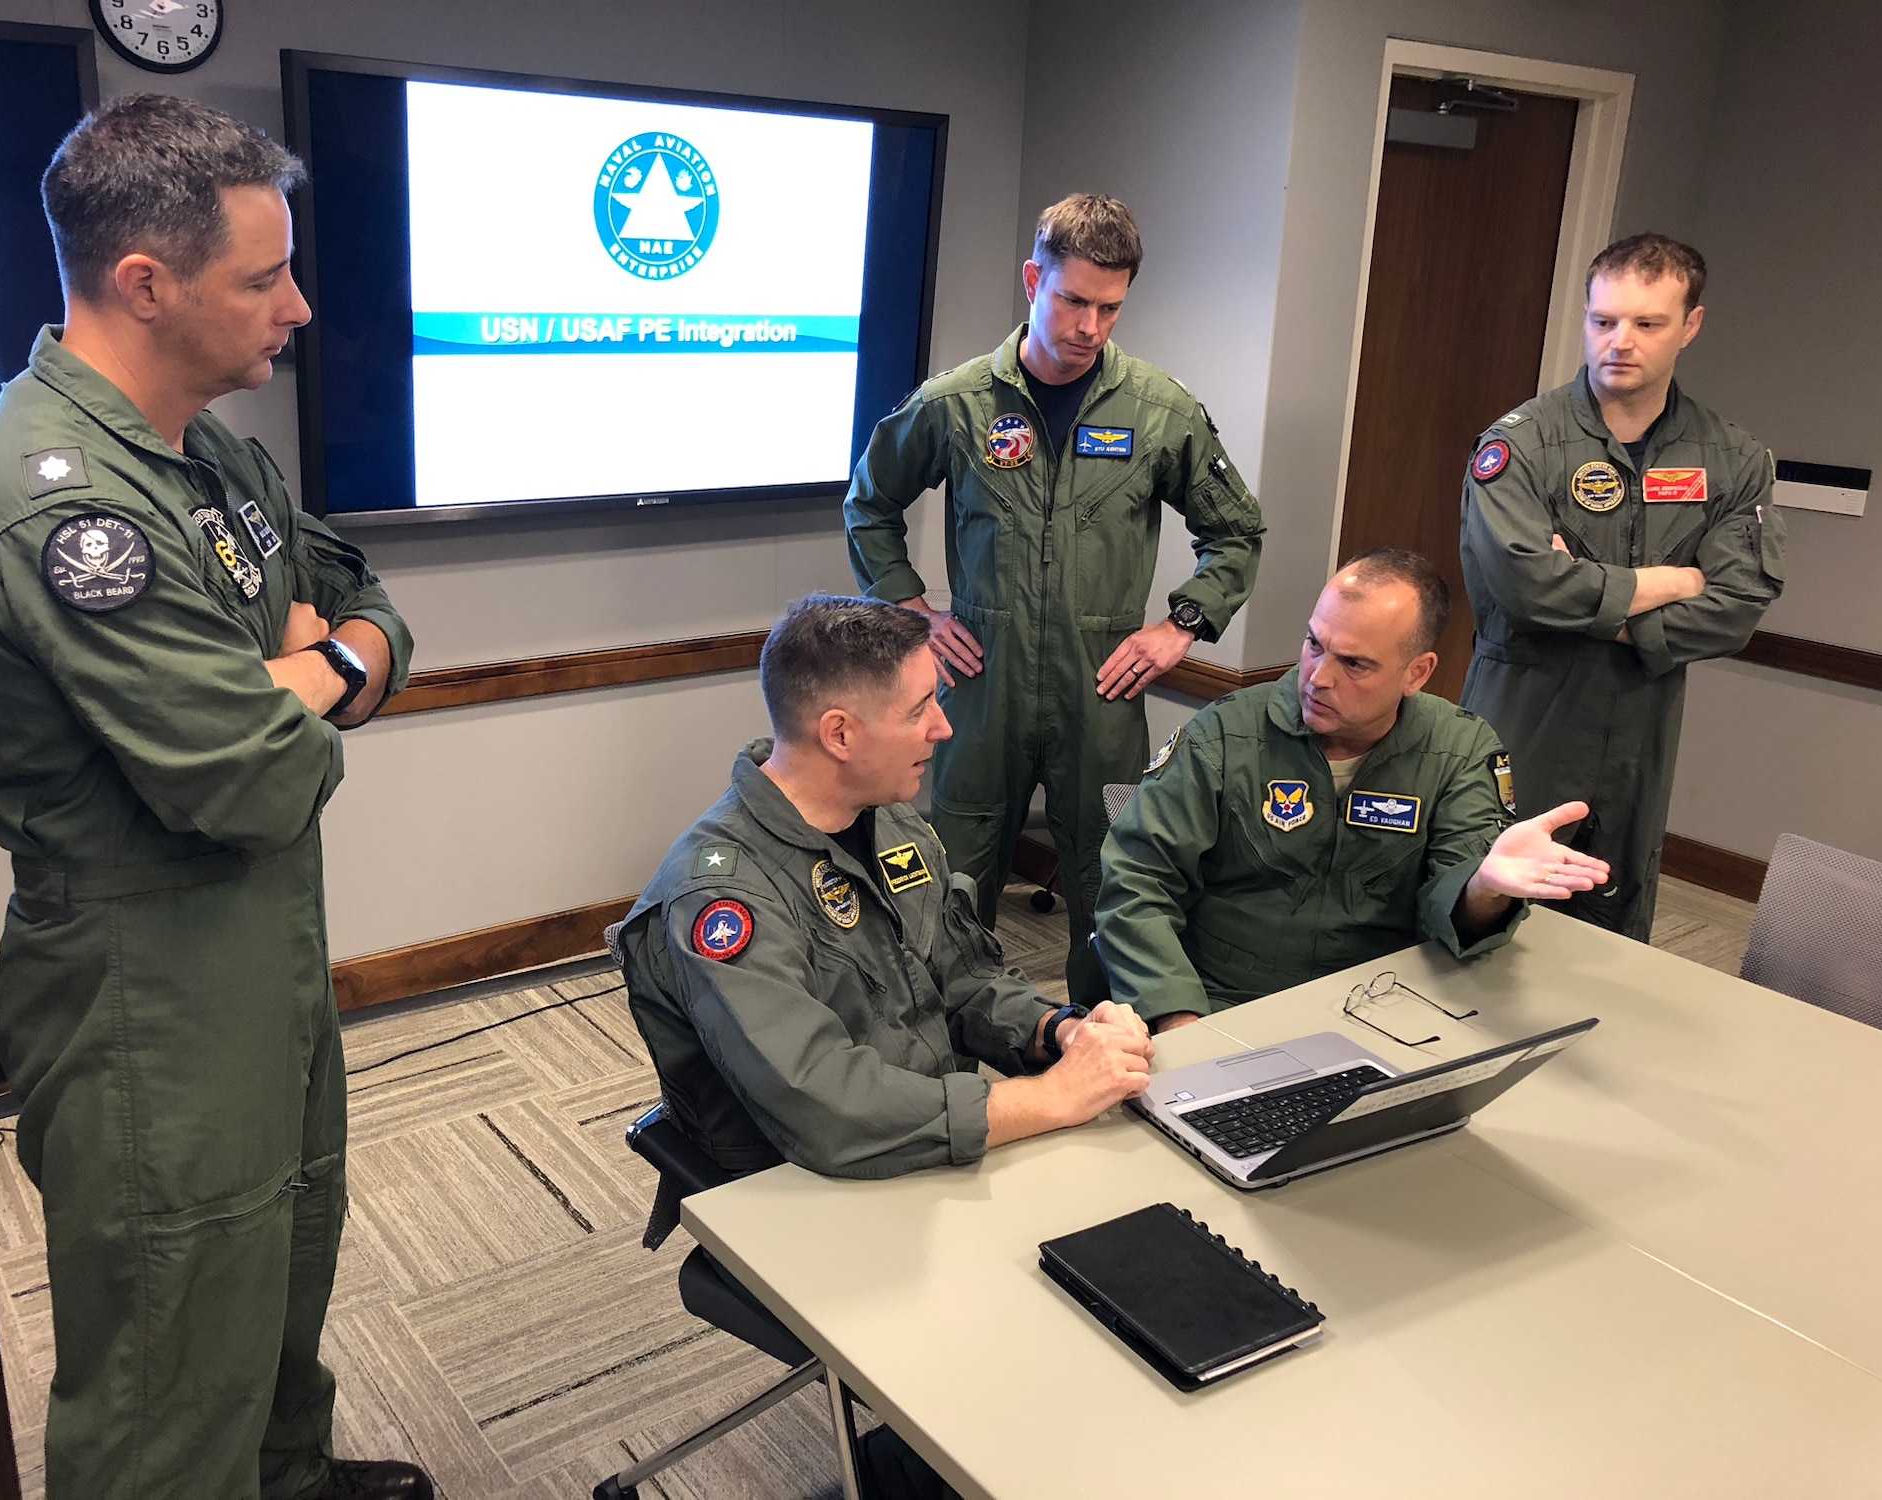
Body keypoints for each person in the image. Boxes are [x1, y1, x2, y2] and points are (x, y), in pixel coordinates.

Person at [0, 97, 424, 1500]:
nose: (303, 306)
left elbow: (376, 608)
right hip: (146, 989)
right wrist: (321, 673)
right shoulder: (53, 500)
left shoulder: (214, 453)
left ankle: (286, 1479)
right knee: (167, 1354)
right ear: (146, 282)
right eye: (265, 277)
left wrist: (309, 660)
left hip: (262, 954)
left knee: (279, 1265)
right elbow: (249, 779)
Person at [842, 194, 1265, 1009]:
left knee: (1117, 878)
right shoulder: (957, 404)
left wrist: (1182, 627)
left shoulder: (1158, 411)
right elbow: (870, 504)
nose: (1089, 327)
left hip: (1100, 689)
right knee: (952, 876)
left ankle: (1101, 1044)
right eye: (1073, 300)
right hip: (980, 684)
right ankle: (948, 1053)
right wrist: (911, 610)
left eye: (1110, 307)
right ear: (1034, 279)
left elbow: (1237, 532)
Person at [620, 594, 1156, 1182]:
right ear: (840, 735)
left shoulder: (888, 819)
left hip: (932, 1140)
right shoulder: (723, 897)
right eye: (920, 707)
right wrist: (1048, 1099)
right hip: (814, 1182)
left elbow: (965, 979)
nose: (943, 726)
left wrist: (1057, 1030)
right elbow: (827, 1107)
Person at [1097, 550, 1610, 1032]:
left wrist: (1483, 889)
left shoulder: (1459, 749)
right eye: (1314, 644)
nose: (1317, 678)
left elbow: (1453, 906)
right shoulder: (1226, 734)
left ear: (1418, 673)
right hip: (1225, 1002)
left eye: (1355, 664)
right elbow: (1138, 884)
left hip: (1382, 1008)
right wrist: (1181, 1024)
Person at [1459, 233, 1786, 941]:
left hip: (1640, 726)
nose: (1621, 342)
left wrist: (1589, 598)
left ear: (1690, 326)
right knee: (1485, 913)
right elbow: (1527, 586)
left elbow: (1735, 610)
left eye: (1648, 323)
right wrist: (1673, 581)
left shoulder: (1731, 458)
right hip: (1524, 718)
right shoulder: (1521, 445)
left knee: (1611, 928)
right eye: (1604, 321)